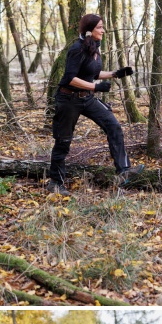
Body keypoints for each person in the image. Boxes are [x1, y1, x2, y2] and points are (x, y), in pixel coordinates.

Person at [47, 13, 136, 196]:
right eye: (99, 28)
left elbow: (92, 73)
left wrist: (115, 74)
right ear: (89, 30)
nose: (103, 31)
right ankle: (56, 183)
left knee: (113, 126)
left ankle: (123, 171)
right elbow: (70, 79)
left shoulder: (93, 48)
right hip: (68, 100)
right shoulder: (77, 49)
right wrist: (96, 87)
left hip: (86, 99)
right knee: (63, 141)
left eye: (103, 27)